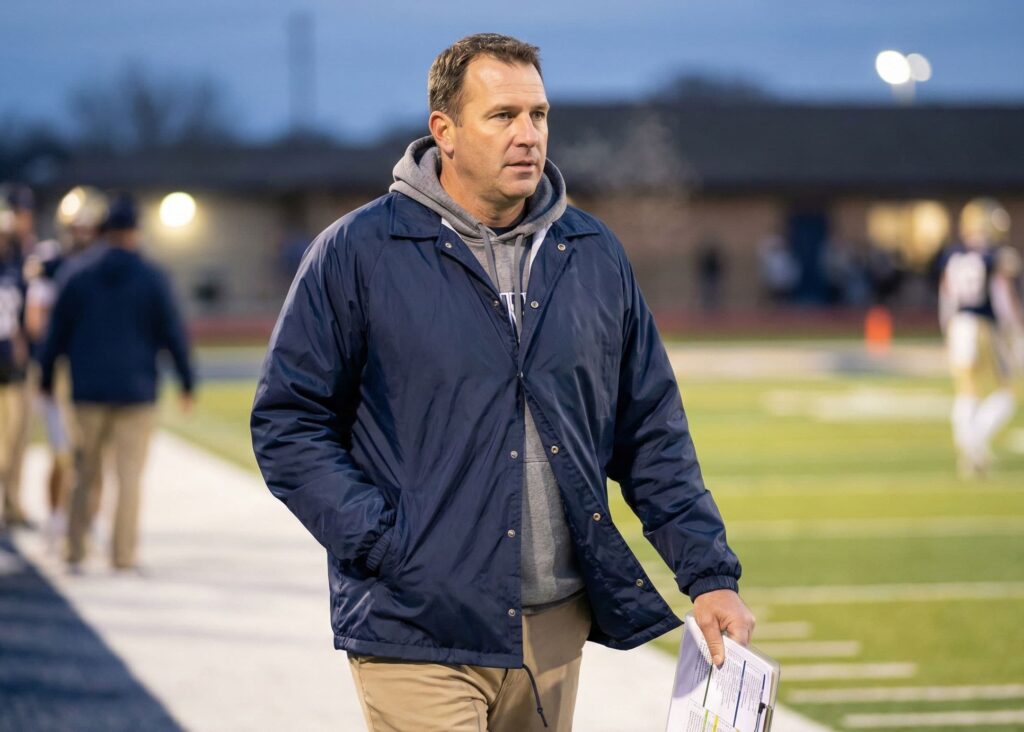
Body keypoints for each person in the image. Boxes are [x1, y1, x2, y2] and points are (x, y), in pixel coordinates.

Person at [251, 33, 752, 731]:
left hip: (553, 625)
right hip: (418, 619)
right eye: (503, 116)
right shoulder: (359, 251)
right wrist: (387, 544)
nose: (528, 135)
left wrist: (709, 574)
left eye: (539, 116)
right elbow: (288, 423)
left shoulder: (593, 254)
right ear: (444, 131)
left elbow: (650, 431)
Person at [39, 193, 195, 571]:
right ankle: (122, 555)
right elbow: (173, 333)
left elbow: (56, 334)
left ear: (105, 231)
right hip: (136, 391)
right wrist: (187, 381)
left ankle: (74, 549)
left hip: (88, 390)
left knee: (83, 473)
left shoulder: (76, 274)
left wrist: (45, 377)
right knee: (128, 480)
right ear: (135, 232)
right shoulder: (152, 277)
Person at [23, 186, 109, 549]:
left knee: (96, 453)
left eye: (89, 227)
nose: (82, 234)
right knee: (62, 452)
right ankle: (58, 517)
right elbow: (37, 320)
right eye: (77, 227)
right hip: (60, 366)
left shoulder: (105, 262)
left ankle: (90, 518)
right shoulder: (50, 261)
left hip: (93, 367)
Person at [939, 197, 1024, 477]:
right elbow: (1004, 299)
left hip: (958, 326)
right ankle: (974, 441)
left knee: (967, 391)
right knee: (1007, 392)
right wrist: (1016, 332)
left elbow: (946, 297)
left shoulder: (952, 256)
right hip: (983, 327)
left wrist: (947, 331)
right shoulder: (996, 258)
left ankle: (969, 449)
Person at [0, 194, 30, 528]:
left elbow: (24, 318)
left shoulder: (16, 265)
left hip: (10, 366)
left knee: (13, 443)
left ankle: (11, 504)